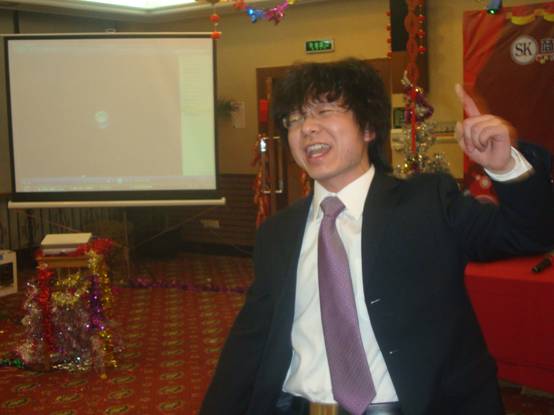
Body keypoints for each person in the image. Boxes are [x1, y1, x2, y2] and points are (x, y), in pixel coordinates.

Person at [200, 58, 554, 415]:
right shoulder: (279, 232)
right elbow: (251, 338)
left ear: (368, 127)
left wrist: (505, 166)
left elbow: (530, 233)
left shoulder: (427, 204)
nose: (307, 128)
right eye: (294, 119)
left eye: (324, 111)